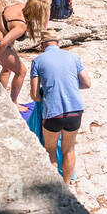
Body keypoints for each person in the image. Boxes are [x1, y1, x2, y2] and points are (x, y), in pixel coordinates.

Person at [30, 31, 91, 185]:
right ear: (58, 43)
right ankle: (67, 186)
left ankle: (56, 190)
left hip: (53, 114)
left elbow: (35, 96)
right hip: (75, 111)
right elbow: (87, 83)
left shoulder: (37, 61)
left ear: (43, 45)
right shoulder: (73, 57)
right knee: (69, 150)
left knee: (50, 150)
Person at [0, 0, 48, 111]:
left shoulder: (20, 6)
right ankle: (13, 103)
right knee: (21, 71)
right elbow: (2, 44)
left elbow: (7, 9)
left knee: (7, 69)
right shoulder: (21, 26)